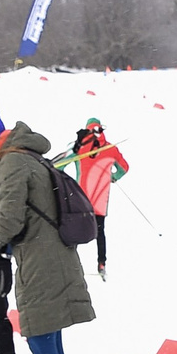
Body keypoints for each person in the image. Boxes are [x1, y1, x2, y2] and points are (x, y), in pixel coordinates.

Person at [0, 120, 97, 354]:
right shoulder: (31, 156)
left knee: (40, 337)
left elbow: (11, 218)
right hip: (55, 255)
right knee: (51, 339)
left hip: (40, 261)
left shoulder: (12, 162)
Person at [65, 118, 130, 279]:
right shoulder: (110, 148)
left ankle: (69, 263)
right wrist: (113, 177)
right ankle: (102, 264)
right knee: (100, 232)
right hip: (100, 198)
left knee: (75, 231)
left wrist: (66, 182)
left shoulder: (79, 147)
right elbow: (125, 167)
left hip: (81, 197)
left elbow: (60, 164)